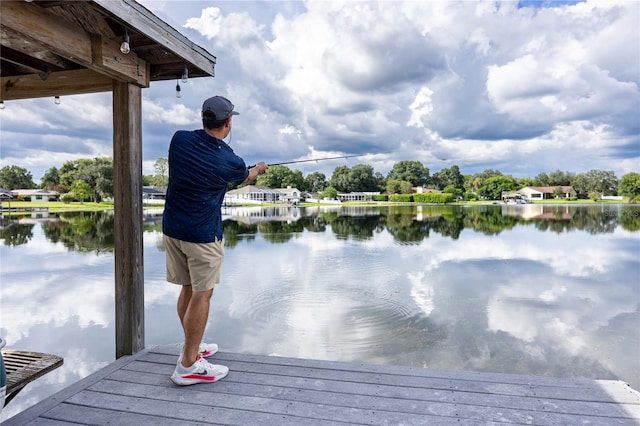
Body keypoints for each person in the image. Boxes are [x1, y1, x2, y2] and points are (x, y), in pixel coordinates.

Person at [162, 95, 268, 385]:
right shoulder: (228, 160)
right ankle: (188, 365)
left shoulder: (179, 140)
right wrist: (258, 169)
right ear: (229, 122)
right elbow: (244, 175)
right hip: (202, 235)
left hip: (173, 229)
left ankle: (192, 347)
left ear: (203, 118)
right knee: (202, 294)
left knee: (187, 288)